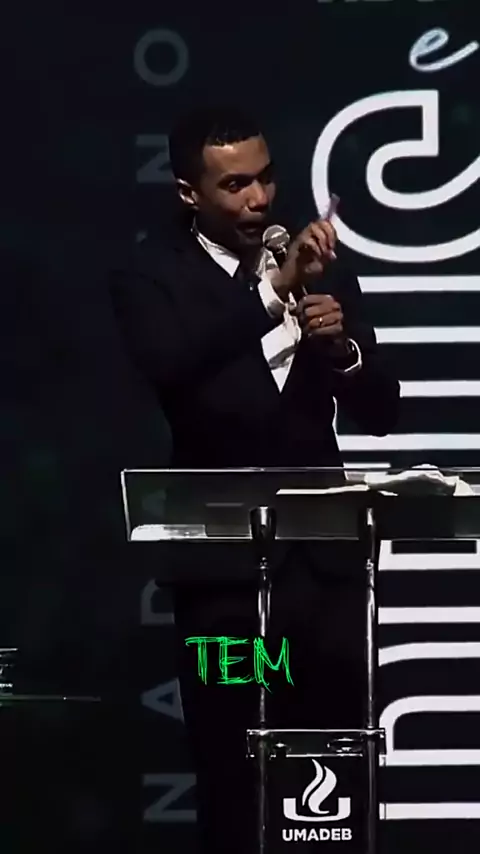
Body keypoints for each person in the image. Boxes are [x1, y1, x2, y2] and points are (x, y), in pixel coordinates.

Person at [109, 105, 400, 854]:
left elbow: (382, 412)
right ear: (189, 192)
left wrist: (343, 353)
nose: (259, 199)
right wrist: (273, 297)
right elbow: (173, 367)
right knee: (234, 762)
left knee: (333, 763)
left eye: (265, 178)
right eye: (235, 185)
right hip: (224, 580)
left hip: (326, 574)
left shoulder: (316, 263)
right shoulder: (152, 274)